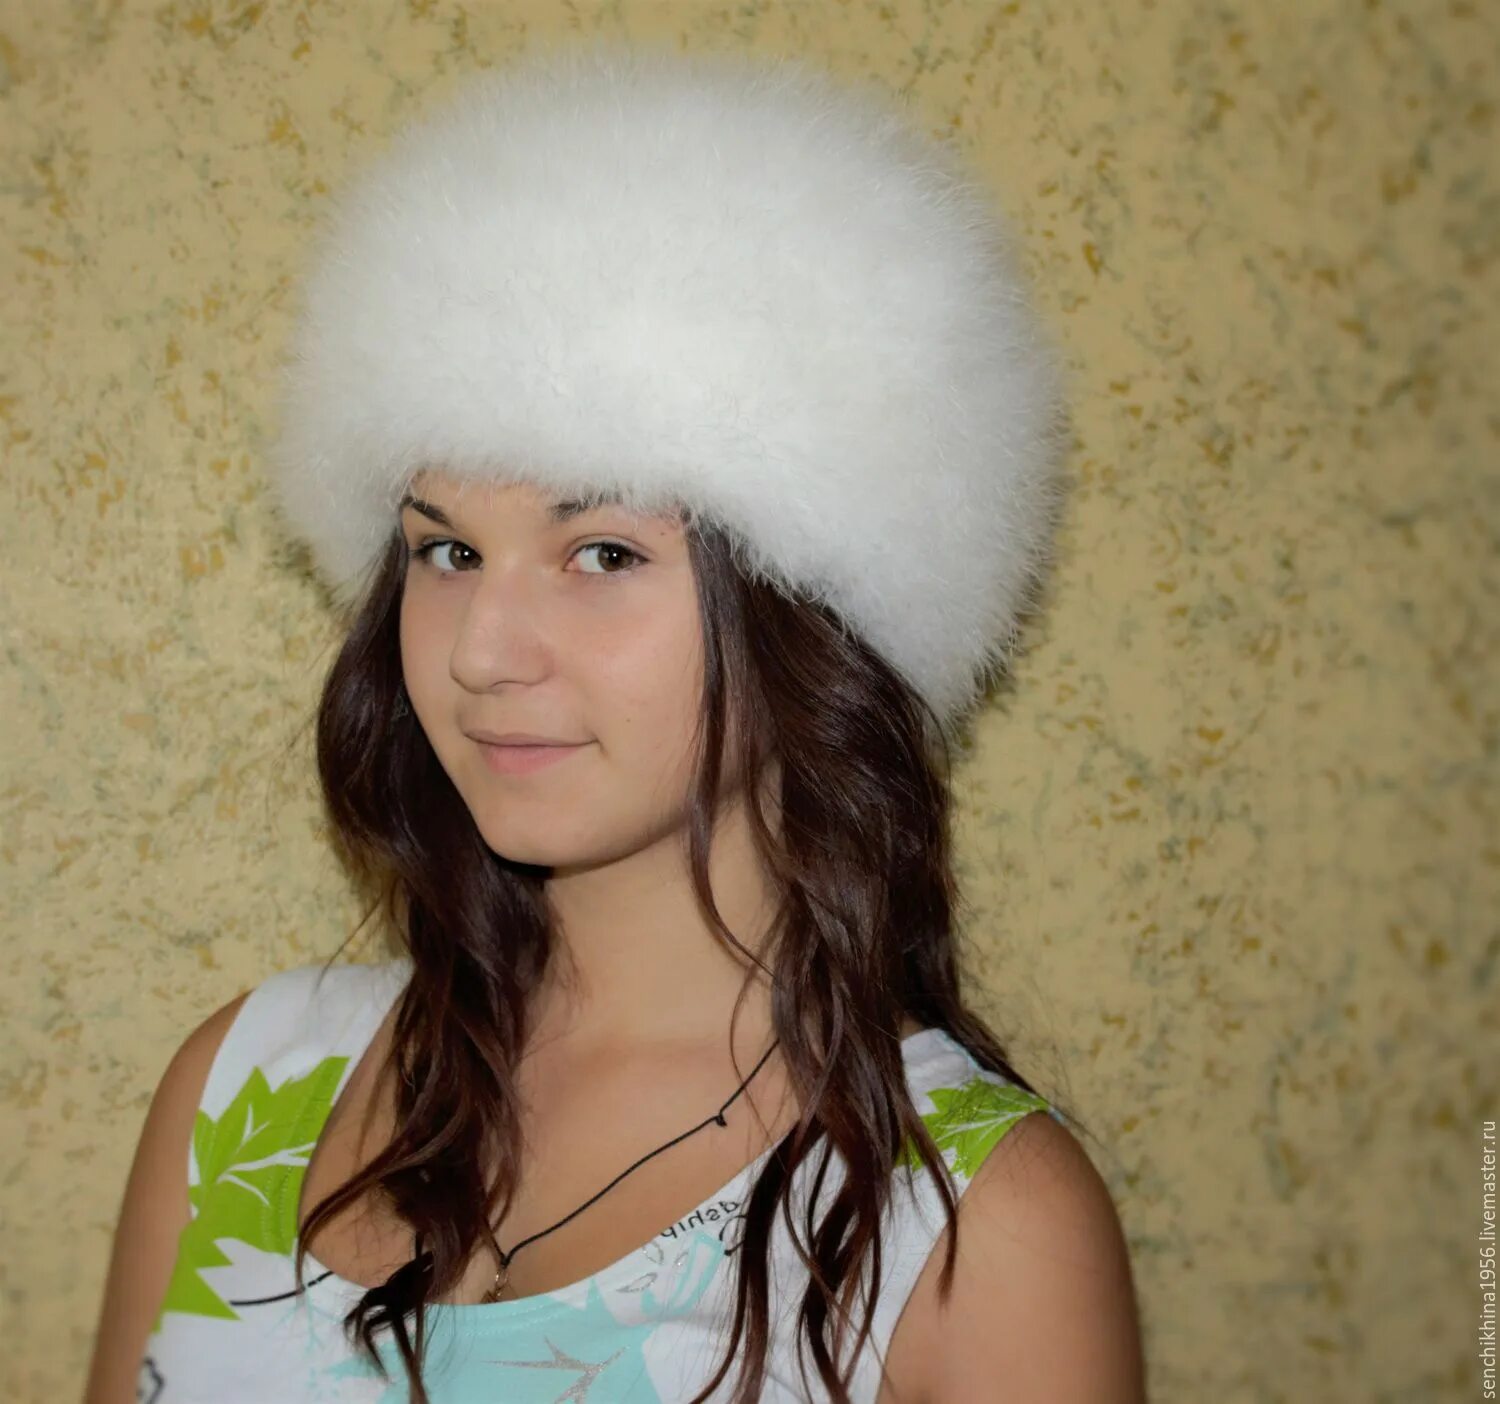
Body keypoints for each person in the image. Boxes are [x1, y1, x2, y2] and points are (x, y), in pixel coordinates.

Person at [83, 36, 1146, 1404]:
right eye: (446, 551)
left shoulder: (966, 1232)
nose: (481, 652)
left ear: (816, 606)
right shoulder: (241, 1088)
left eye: (601, 553)